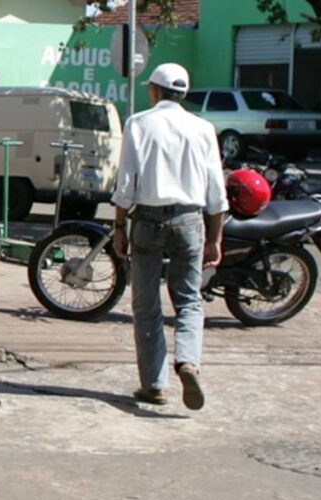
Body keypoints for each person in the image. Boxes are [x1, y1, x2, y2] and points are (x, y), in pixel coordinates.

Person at [111, 63, 228, 411]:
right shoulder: (203, 128)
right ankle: (188, 362)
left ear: (155, 91)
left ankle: (154, 385)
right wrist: (215, 238)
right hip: (190, 220)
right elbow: (216, 191)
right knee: (189, 300)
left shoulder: (138, 123)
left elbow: (125, 183)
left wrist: (119, 228)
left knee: (146, 305)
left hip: (148, 220)